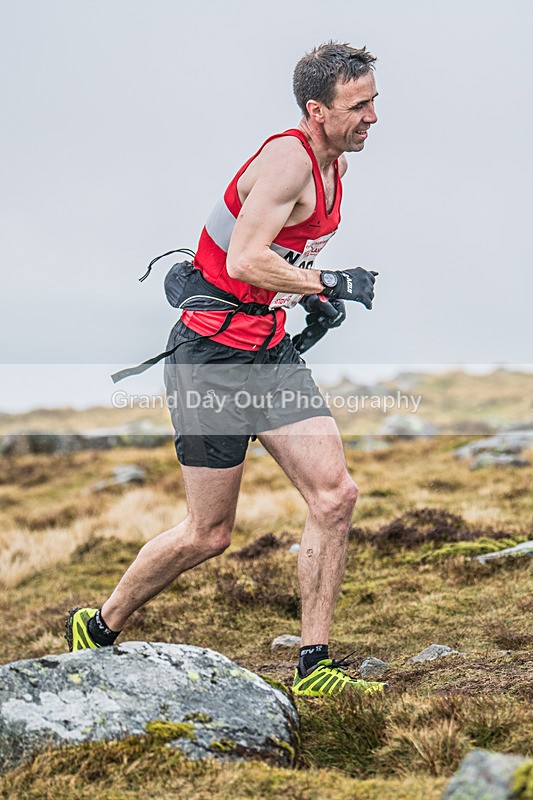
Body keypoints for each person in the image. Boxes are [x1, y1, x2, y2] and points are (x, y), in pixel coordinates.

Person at [66, 41, 385, 697]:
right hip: (210, 360)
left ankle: (314, 666)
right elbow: (243, 259)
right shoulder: (286, 161)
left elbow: (269, 259)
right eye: (359, 106)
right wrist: (328, 279)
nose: (372, 117)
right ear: (315, 109)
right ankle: (98, 626)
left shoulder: (333, 167)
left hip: (266, 351)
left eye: (374, 101)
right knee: (208, 533)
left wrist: (309, 299)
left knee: (335, 496)